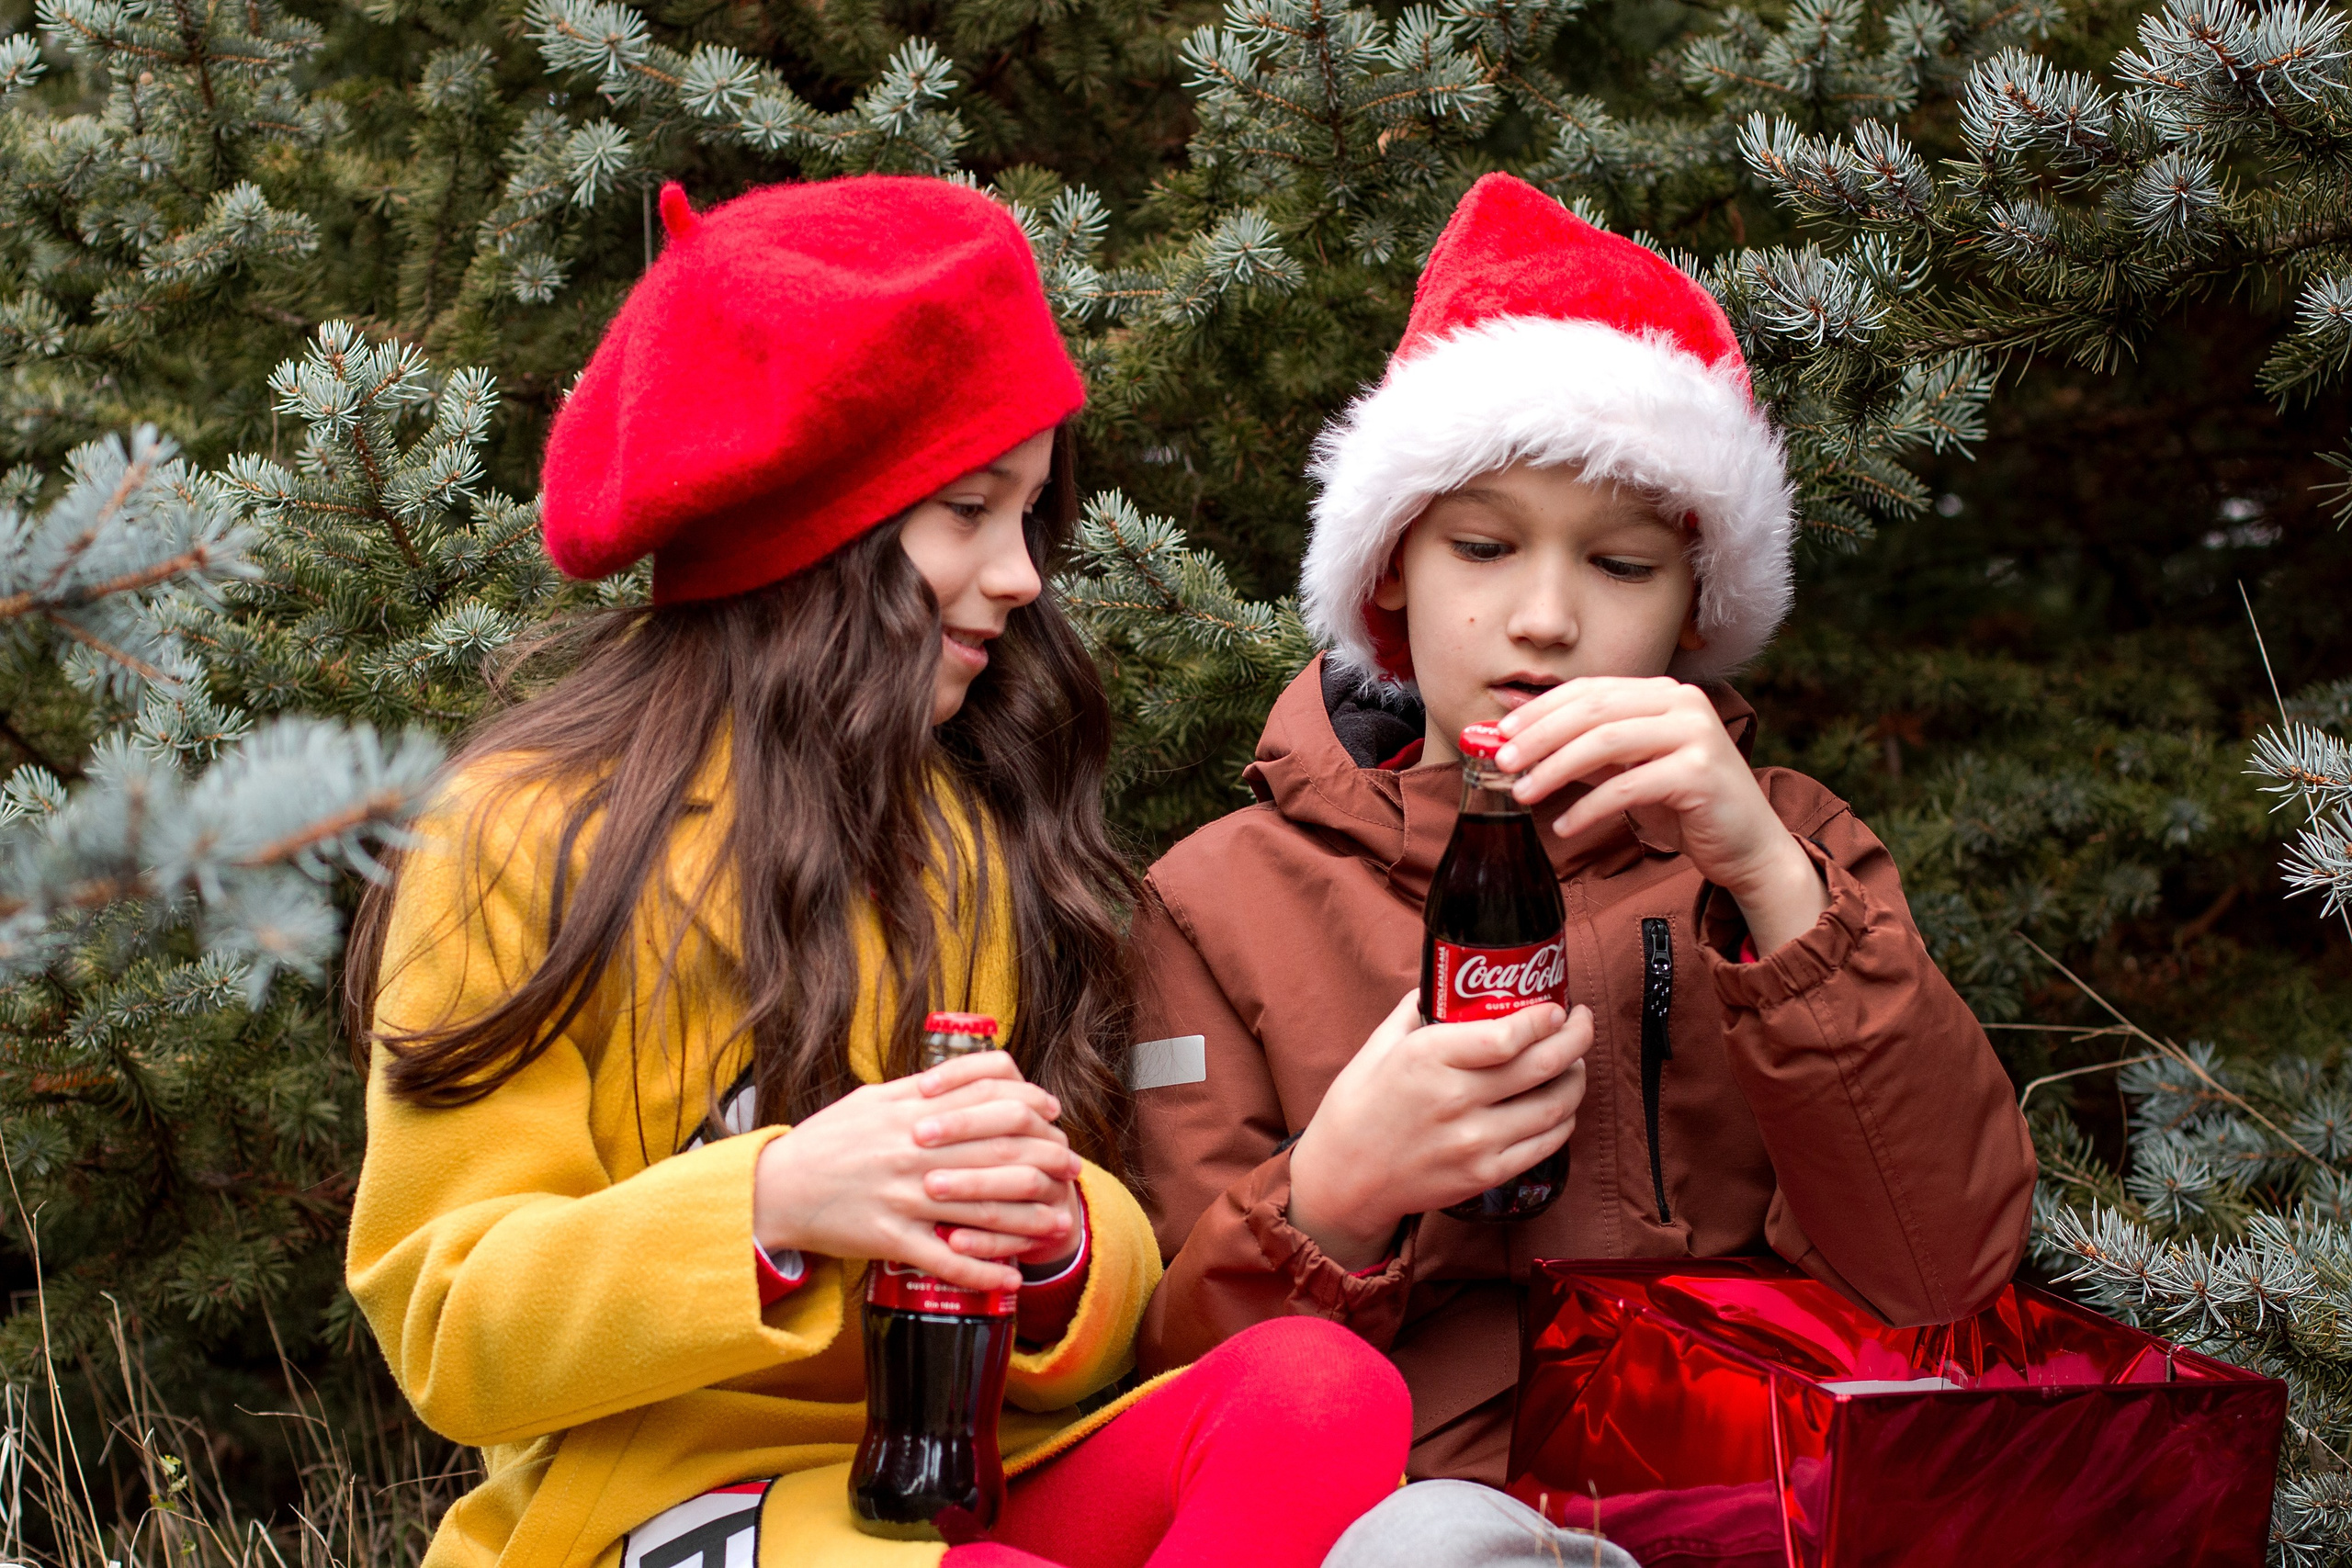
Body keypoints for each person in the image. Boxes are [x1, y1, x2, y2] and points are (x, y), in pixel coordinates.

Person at [345, 175, 1408, 1568]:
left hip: (948, 1485)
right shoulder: (517, 830)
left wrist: (1057, 1241)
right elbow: (450, 1326)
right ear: (809, 527)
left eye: (1031, 519)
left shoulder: (964, 832)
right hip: (660, 1516)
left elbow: (1100, 1273)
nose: (1022, 575)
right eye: (970, 510)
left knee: (1323, 1395)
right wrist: (774, 1205)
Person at [1127, 172, 2038, 1518]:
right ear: (1391, 568)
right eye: (1484, 547)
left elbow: (1945, 1277)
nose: (1544, 621)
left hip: (1741, 1506)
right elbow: (1175, 1404)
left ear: (1695, 600)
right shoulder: (1219, 900)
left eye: (1620, 567)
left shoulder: (1793, 852)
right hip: (1395, 1522)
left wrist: (1770, 887)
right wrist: (1336, 1194)